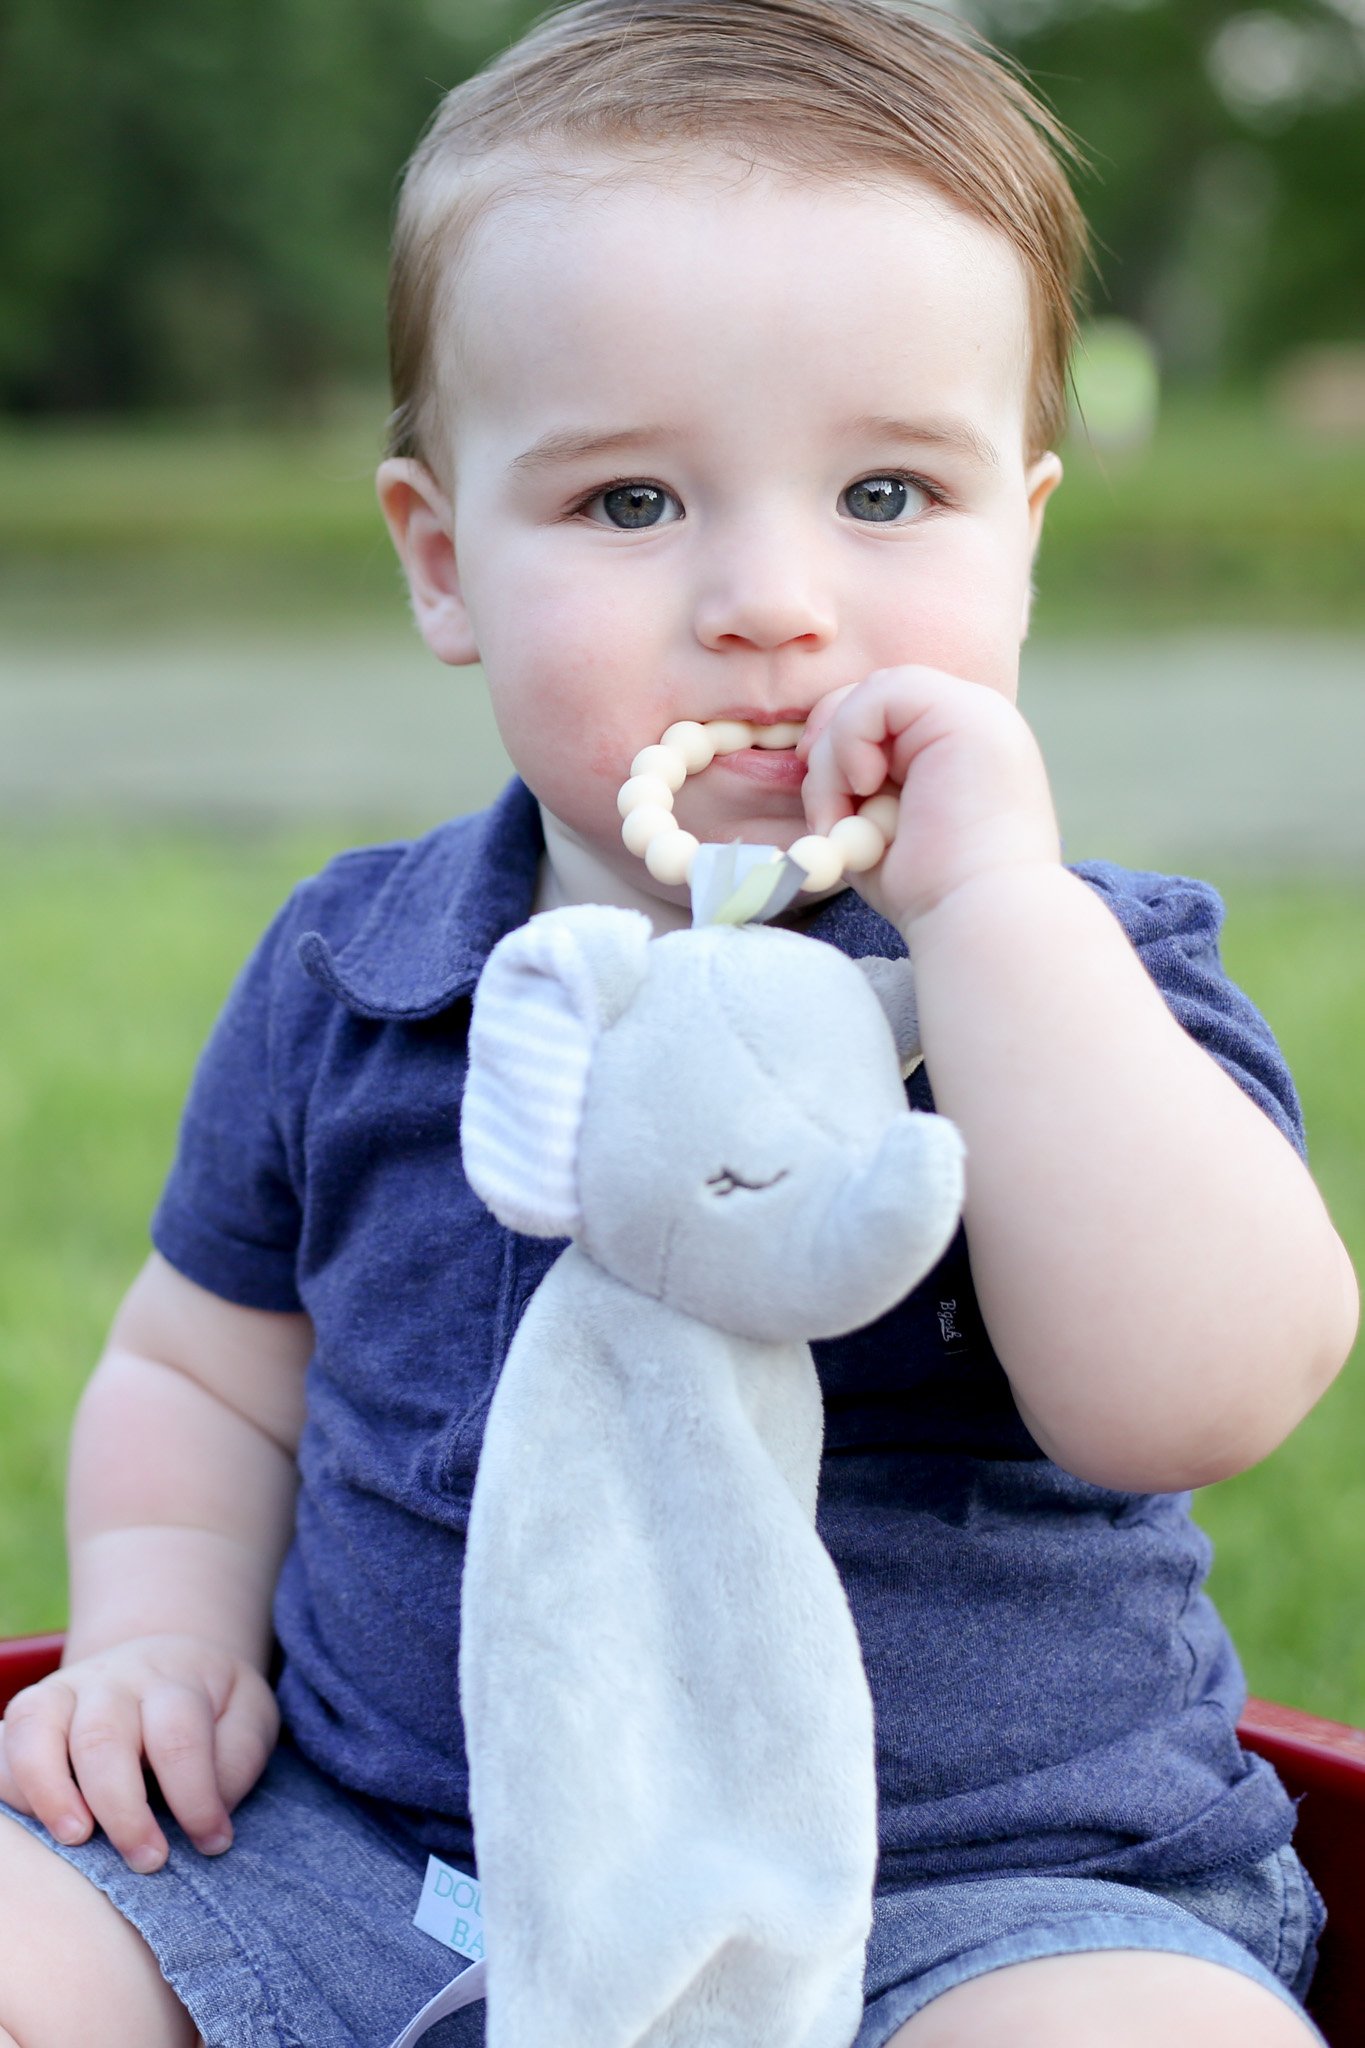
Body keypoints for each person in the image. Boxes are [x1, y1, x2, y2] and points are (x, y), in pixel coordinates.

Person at [0, 1, 1357, 2043]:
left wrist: (988, 918)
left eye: (885, 492)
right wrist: (157, 1632)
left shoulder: (1088, 978)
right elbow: (205, 1369)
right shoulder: (359, 969)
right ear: (443, 563)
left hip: (978, 1904)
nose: (767, 600)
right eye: (631, 504)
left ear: (1021, 542)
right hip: (382, 1868)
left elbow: (1196, 1394)